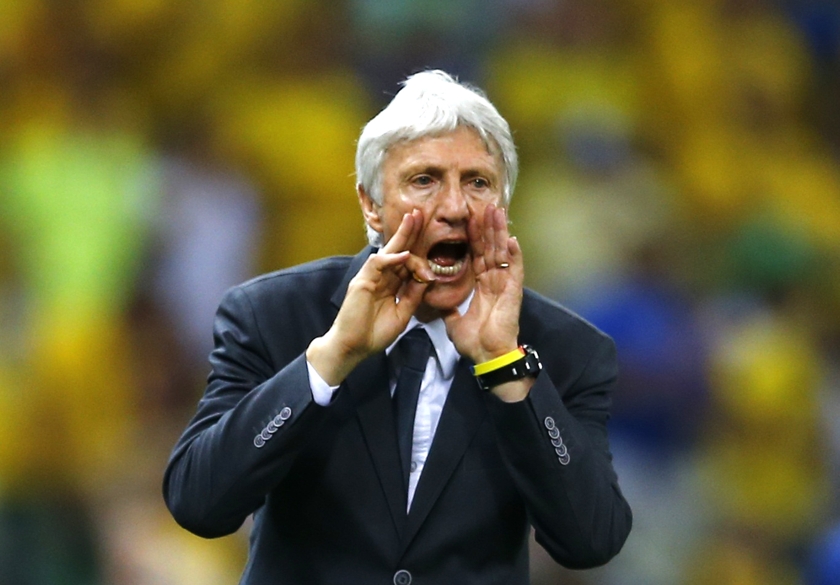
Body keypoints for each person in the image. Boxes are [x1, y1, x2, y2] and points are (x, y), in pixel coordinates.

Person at [163, 70, 632, 584]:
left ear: (503, 206)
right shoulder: (272, 314)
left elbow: (591, 539)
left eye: (477, 182)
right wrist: (331, 358)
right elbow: (199, 503)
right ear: (371, 204)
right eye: (424, 180)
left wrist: (506, 366)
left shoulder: (567, 350)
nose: (454, 208)